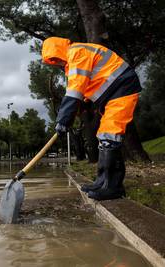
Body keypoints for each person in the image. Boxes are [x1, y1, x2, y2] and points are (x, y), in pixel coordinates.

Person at [41, 37, 142, 201]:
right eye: (54, 61)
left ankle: (113, 188)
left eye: (56, 59)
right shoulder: (75, 56)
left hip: (123, 88)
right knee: (103, 136)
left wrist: (63, 120)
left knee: (109, 135)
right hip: (114, 91)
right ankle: (102, 182)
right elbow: (84, 91)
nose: (57, 63)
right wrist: (70, 115)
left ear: (58, 50)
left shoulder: (77, 52)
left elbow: (75, 91)